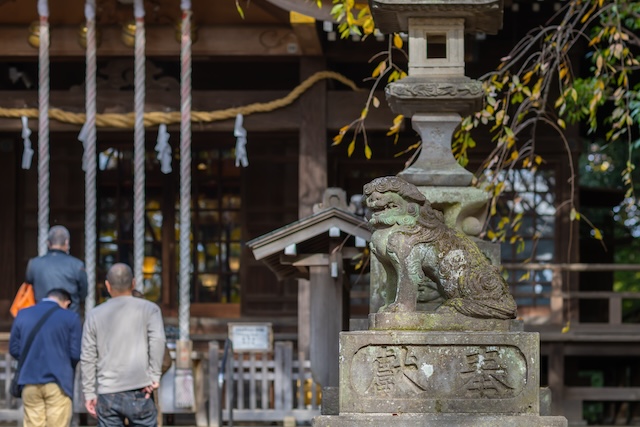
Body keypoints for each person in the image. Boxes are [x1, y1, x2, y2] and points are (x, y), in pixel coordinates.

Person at [81, 263, 166, 427]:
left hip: (108, 390)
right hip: (140, 387)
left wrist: (89, 392)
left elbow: (88, 356)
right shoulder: (150, 309)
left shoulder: (94, 315)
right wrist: (155, 375)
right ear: (133, 283)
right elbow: (158, 341)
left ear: (107, 286)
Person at [9, 288, 82, 427]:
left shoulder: (23, 314)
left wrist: (30, 358)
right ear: (66, 302)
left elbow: (14, 349)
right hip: (58, 381)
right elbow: (75, 353)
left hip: (29, 378)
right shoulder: (71, 318)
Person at [25, 225, 88, 314]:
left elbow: (29, 287)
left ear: (48, 243)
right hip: (68, 317)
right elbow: (83, 294)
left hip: (41, 317)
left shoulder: (34, 264)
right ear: (67, 242)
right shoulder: (77, 265)